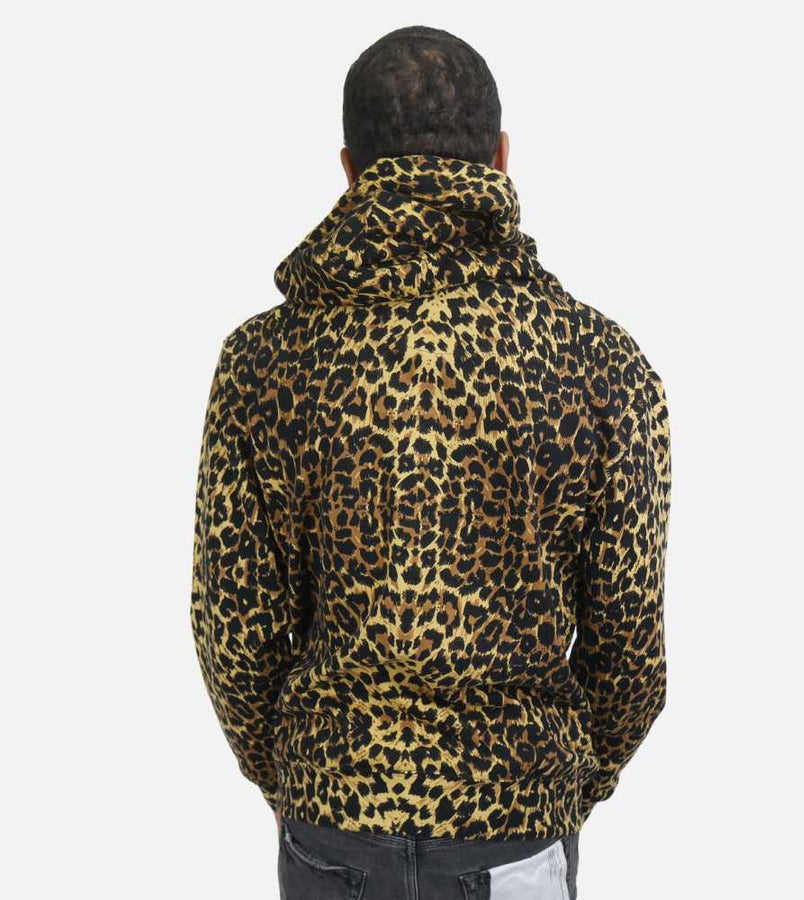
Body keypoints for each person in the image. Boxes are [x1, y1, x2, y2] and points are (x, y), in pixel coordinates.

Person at [190, 24, 671, 900]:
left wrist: (306, 776)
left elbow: (234, 630)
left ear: (349, 170)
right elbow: (630, 646)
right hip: (516, 817)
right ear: (502, 158)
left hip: (332, 822)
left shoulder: (263, 362)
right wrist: (560, 783)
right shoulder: (602, 364)